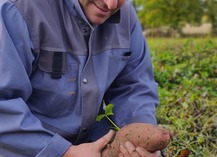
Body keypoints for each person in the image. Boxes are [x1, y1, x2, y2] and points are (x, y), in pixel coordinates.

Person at [0, 0, 161, 156]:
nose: (111, 4)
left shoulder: (126, 17)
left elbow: (134, 86)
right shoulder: (19, 10)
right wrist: (64, 152)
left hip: (92, 140)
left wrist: (142, 140)